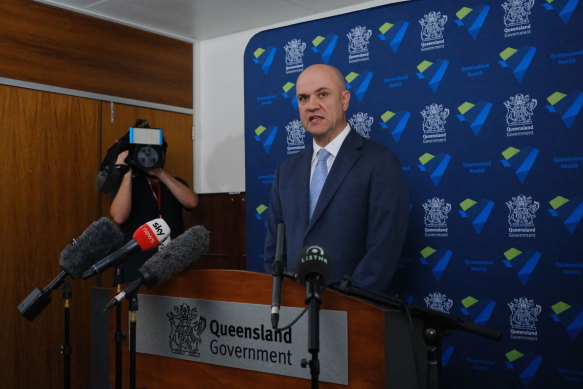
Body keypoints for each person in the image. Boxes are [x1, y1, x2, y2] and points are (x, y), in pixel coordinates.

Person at [264, 64, 410, 293]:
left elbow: (384, 248)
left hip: (354, 309)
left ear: (344, 100)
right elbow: (275, 247)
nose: (312, 105)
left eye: (322, 94)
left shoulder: (380, 162)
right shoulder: (286, 171)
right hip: (294, 311)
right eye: (303, 98)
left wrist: (351, 302)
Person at [110, 120, 198, 281]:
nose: (147, 156)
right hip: (137, 268)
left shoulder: (174, 183)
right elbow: (119, 217)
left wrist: (159, 172)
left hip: (172, 265)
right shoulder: (128, 186)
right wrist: (128, 171)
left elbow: (191, 202)